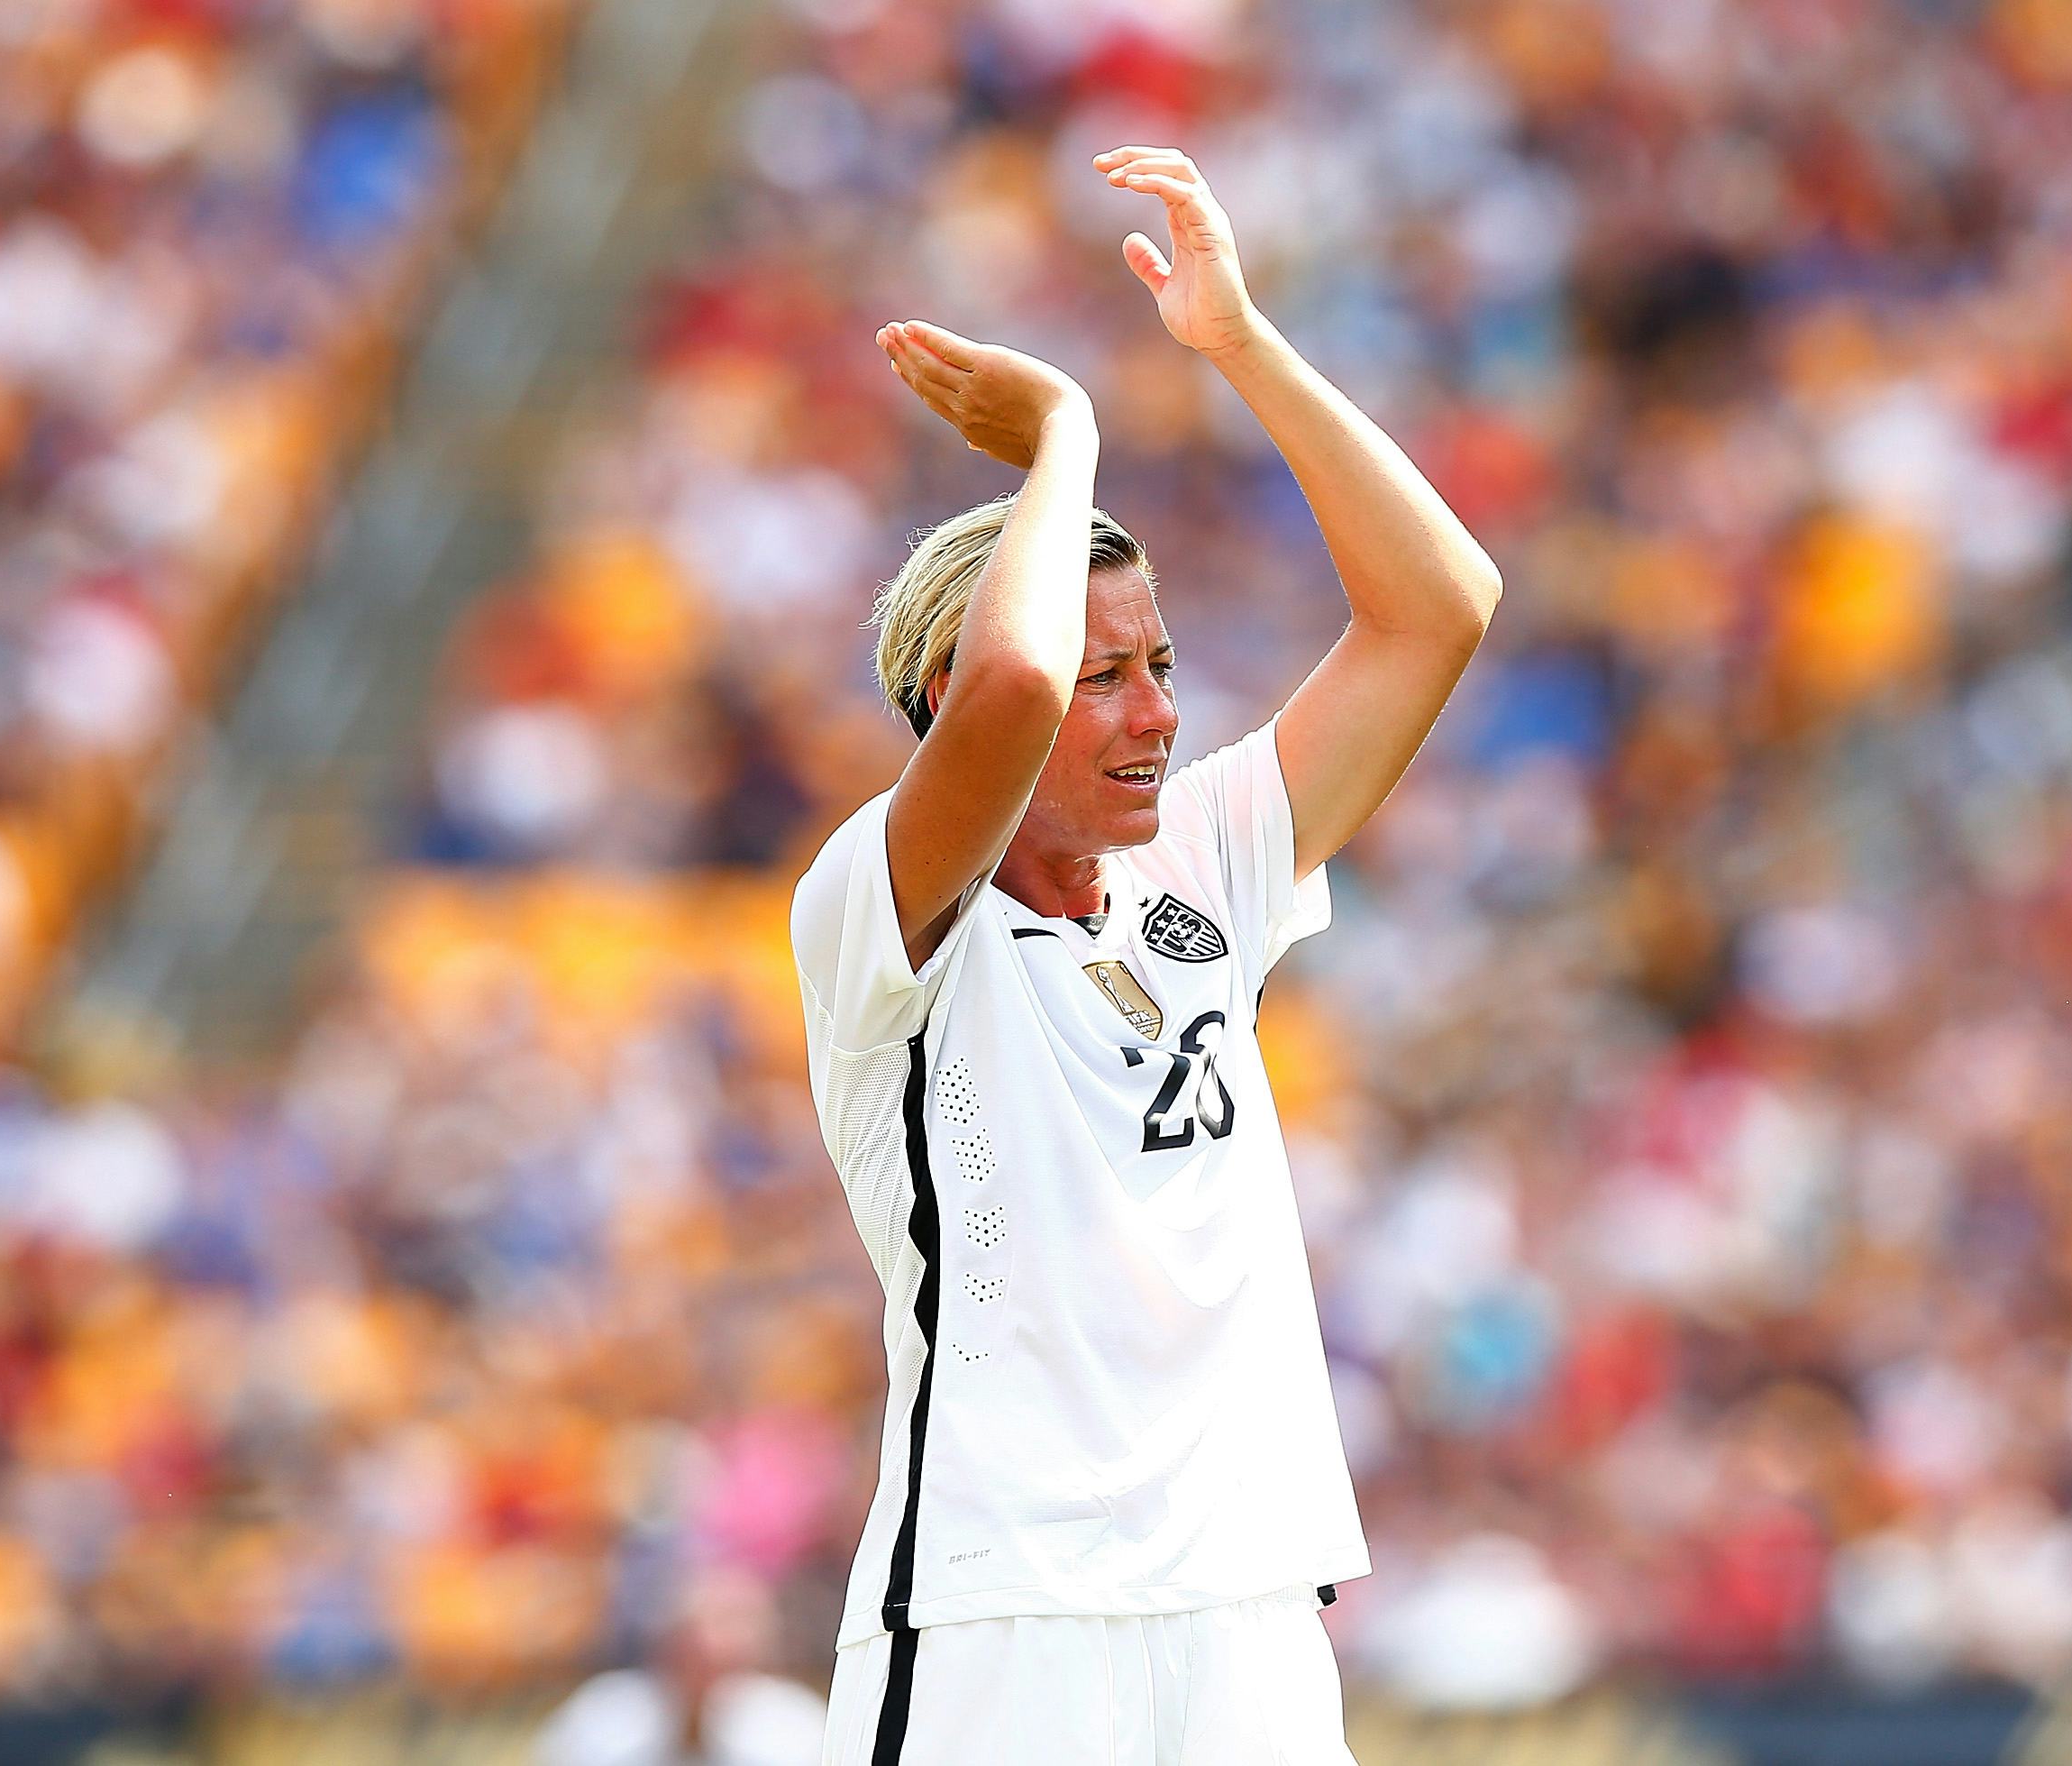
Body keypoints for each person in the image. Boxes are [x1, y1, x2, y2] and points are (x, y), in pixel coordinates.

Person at [790, 143, 1501, 1762]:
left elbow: (1438, 607)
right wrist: (1065, 432)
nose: (1158, 712)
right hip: (1005, 1607)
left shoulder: (1202, 864)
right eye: (1112, 674)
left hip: (1247, 1595)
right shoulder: (880, 908)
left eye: (1164, 664)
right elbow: (1015, 686)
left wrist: (1238, 342)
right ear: (939, 700)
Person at [533, 1567, 827, 1766]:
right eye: (690, 1659)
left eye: (720, 1666)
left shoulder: (796, 1729)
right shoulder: (602, 1715)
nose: (703, 1680)